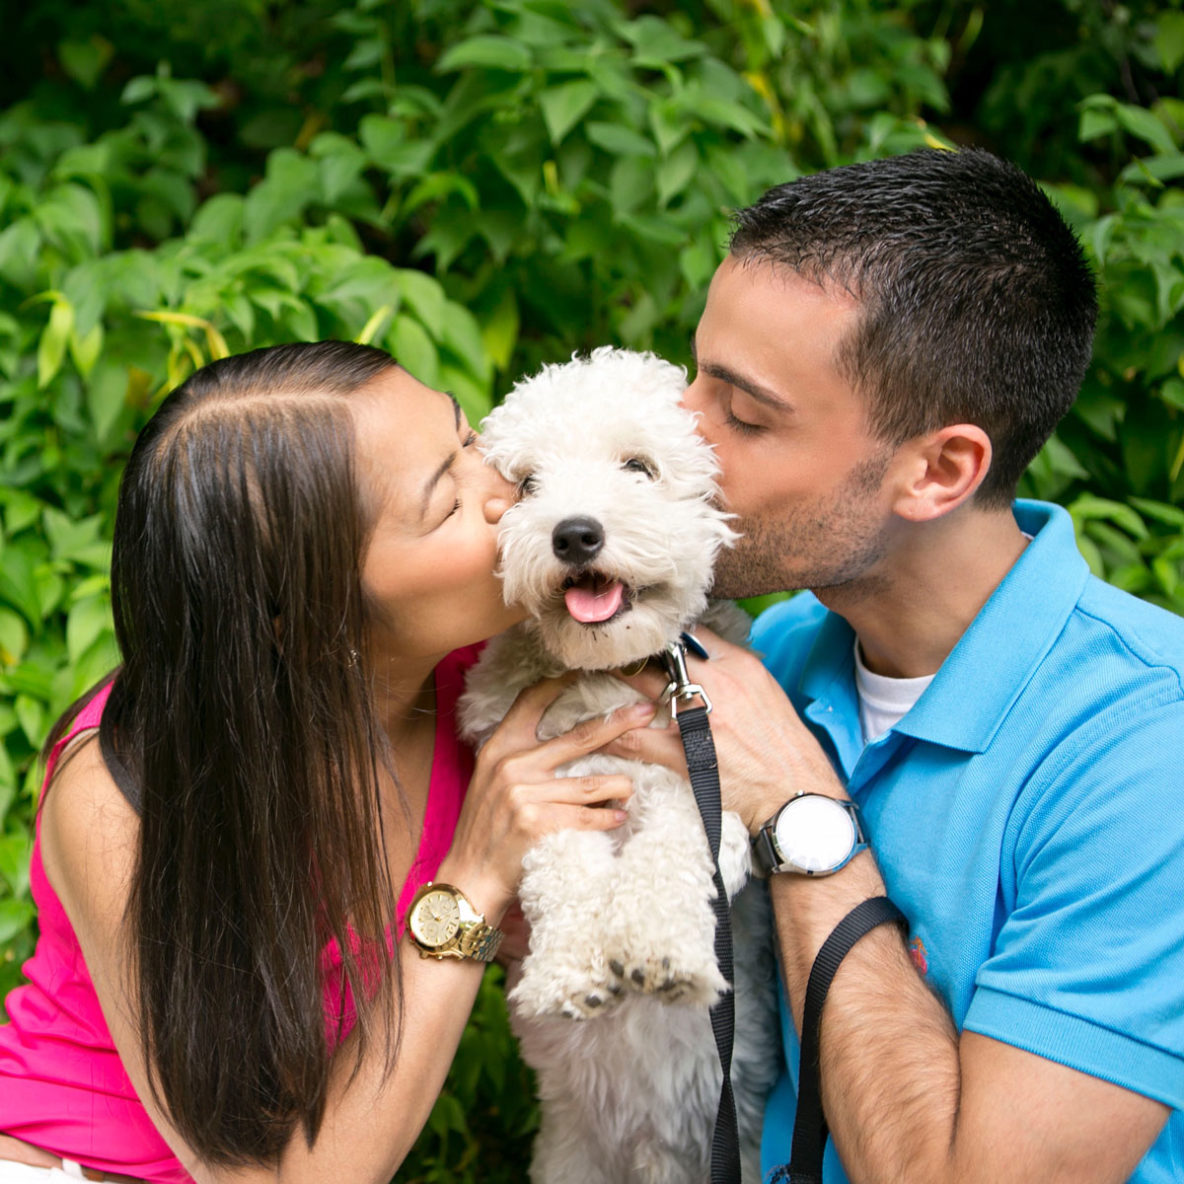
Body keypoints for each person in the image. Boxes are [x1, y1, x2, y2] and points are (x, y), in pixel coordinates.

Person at [613, 149, 1184, 1183]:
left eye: (742, 415)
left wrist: (798, 810)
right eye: (691, 374)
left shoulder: (1145, 756)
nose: (672, 440)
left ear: (937, 470)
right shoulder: (770, 651)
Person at [0, 341, 652, 1183]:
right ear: (304, 617)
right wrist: (473, 885)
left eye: (466, 438)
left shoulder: (485, 676)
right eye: (448, 500)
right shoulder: (124, 796)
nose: (506, 490)